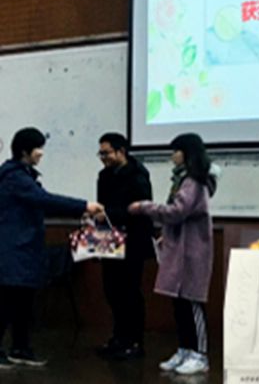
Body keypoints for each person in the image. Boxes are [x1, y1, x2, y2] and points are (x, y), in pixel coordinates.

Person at [0, 127, 104, 369]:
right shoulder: (15, 178)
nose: (41, 153)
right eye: (38, 148)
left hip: (24, 250)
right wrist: (84, 205)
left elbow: (43, 201)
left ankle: (21, 349)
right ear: (25, 151)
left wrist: (80, 211)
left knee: (23, 303)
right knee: (8, 303)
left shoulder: (23, 175)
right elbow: (45, 200)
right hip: (13, 250)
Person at [129, 133, 216, 375]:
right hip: (179, 248)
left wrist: (145, 207)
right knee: (179, 303)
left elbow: (177, 211)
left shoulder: (194, 181)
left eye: (175, 151)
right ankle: (185, 349)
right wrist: (166, 235)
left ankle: (200, 354)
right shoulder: (182, 180)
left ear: (187, 153)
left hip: (193, 251)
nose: (172, 156)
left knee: (192, 302)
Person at [95, 132, 154, 360]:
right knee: (111, 290)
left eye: (107, 153)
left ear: (121, 151)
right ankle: (118, 338)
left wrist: (109, 213)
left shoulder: (138, 175)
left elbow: (142, 209)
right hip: (109, 239)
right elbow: (101, 205)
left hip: (133, 241)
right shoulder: (104, 175)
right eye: (101, 154)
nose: (103, 158)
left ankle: (134, 342)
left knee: (130, 292)